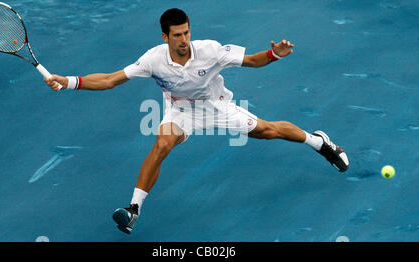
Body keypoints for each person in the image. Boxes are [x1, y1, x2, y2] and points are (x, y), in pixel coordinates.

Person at [45, 8, 349, 235]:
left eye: (186, 32)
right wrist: (71, 81)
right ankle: (134, 208)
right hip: (179, 111)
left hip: (216, 106)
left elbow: (253, 61)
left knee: (267, 131)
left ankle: (319, 142)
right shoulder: (153, 58)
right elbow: (111, 79)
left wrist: (275, 54)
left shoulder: (210, 51)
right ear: (165, 37)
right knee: (162, 143)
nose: (183, 40)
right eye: (177, 35)